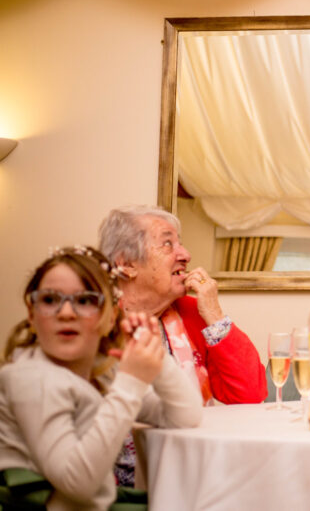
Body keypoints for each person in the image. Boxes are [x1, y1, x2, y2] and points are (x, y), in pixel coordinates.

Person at [0, 246, 202, 510]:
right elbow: (77, 483)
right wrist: (130, 383)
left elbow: (185, 416)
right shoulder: (30, 377)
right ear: (32, 313)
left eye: (85, 301)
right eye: (50, 300)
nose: (66, 313)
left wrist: (157, 357)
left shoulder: (99, 372)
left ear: (110, 318)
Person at [98, 206, 266, 405]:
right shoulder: (90, 319)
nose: (186, 255)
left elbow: (250, 396)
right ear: (127, 264)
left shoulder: (192, 312)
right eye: (167, 244)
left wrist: (214, 314)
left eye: (181, 244)